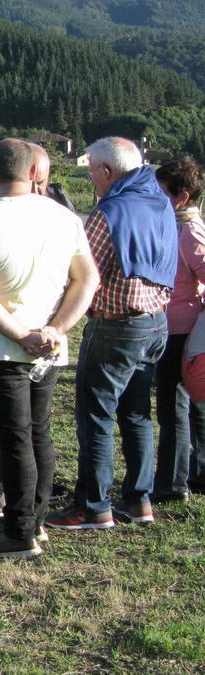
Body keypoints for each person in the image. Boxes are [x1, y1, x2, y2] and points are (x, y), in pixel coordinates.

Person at [0, 139, 98, 558]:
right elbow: (86, 280)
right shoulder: (64, 217)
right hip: (48, 347)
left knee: (13, 439)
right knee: (39, 432)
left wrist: (19, 334)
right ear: (34, 172)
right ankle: (35, 520)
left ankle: (20, 534)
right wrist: (55, 328)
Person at [47, 137, 178, 531]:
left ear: (105, 172)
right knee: (137, 413)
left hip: (116, 325)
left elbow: (86, 274)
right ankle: (140, 500)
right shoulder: (160, 202)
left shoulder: (110, 212)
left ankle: (93, 506)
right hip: (156, 322)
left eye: (92, 173)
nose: (92, 180)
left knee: (96, 414)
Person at [153, 159, 205, 502]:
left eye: (162, 193)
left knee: (174, 408)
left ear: (182, 197)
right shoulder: (181, 225)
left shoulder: (189, 232)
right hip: (178, 327)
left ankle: (173, 483)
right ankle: (198, 473)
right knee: (192, 407)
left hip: (180, 331)